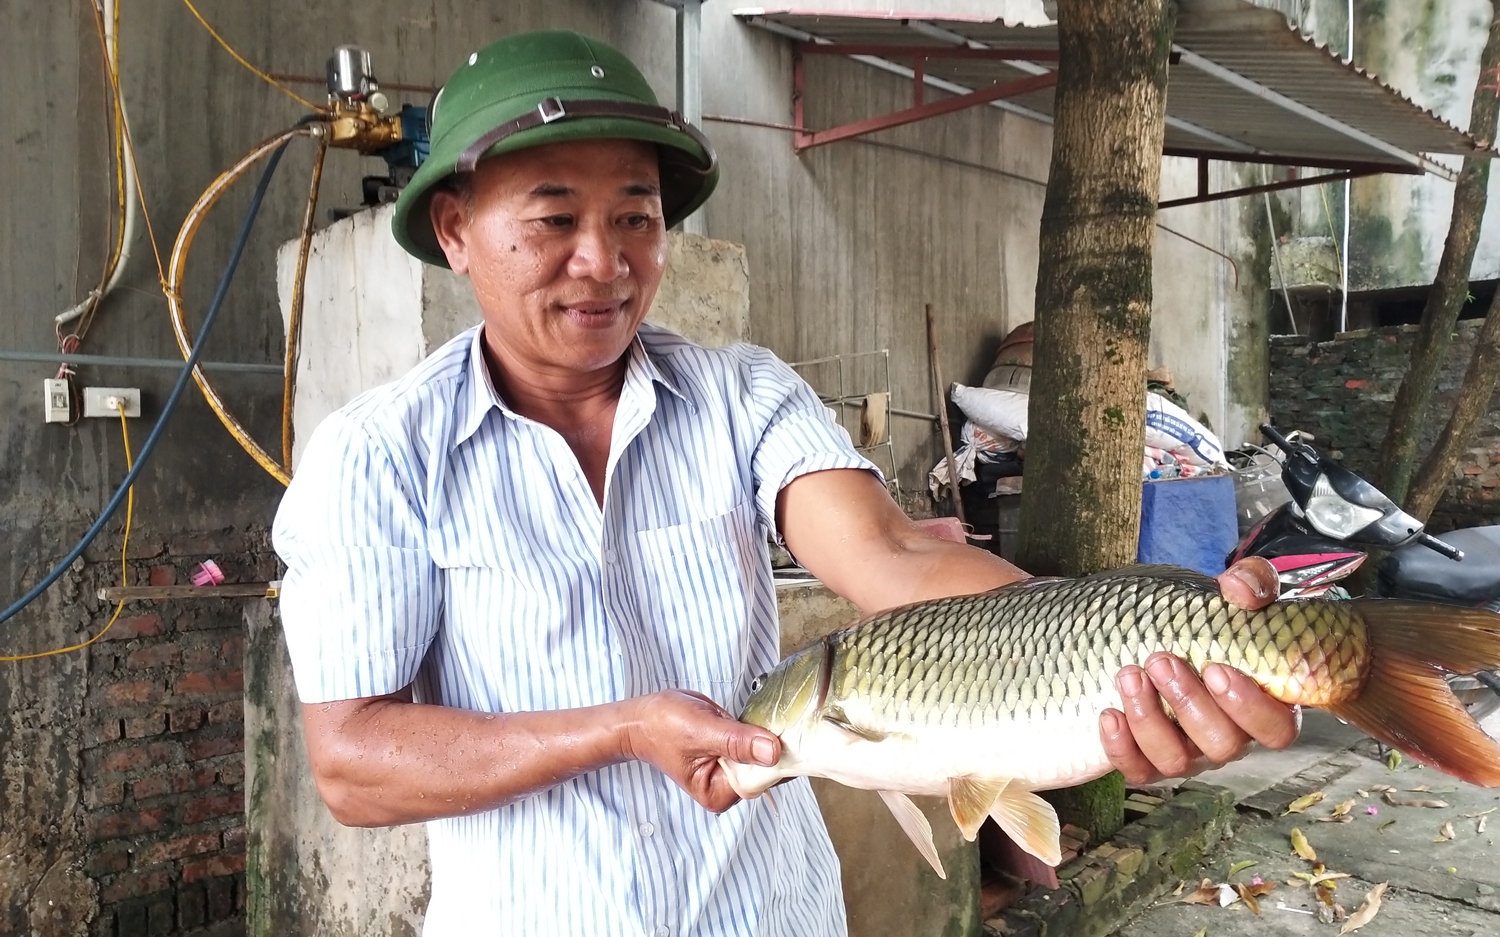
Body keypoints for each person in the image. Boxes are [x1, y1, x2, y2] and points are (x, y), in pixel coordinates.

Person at [272, 29, 1298, 937]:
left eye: (636, 217)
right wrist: (621, 728)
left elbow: (888, 557)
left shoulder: (739, 396)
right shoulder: (376, 458)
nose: (604, 260)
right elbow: (355, 763)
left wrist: (1142, 649)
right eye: (552, 220)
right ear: (455, 231)